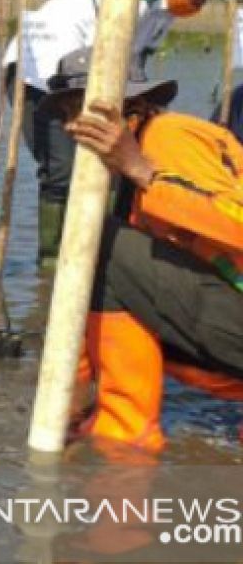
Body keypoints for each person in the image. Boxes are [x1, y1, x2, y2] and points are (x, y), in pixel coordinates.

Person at [38, 49, 243, 453]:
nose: (69, 128)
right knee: (102, 252)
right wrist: (74, 391)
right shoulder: (126, 173)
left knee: (105, 246)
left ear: (127, 107)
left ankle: (125, 439)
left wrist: (141, 169)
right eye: (64, 116)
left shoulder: (168, 138)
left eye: (77, 113)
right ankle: (112, 425)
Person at [5, 0, 239, 270]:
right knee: (62, 171)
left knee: (113, 164)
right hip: (41, 75)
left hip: (92, 77)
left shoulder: (164, 11)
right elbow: (83, 54)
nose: (202, 4)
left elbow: (135, 61)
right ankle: (52, 264)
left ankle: (100, 253)